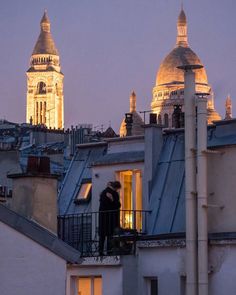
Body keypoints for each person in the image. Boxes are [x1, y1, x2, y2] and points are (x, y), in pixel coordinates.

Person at [98, 181, 121, 255]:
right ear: (116, 187)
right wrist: (113, 200)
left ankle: (101, 251)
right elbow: (117, 205)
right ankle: (109, 251)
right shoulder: (114, 194)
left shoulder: (103, 193)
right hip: (111, 217)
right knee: (110, 234)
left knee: (102, 235)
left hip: (103, 217)